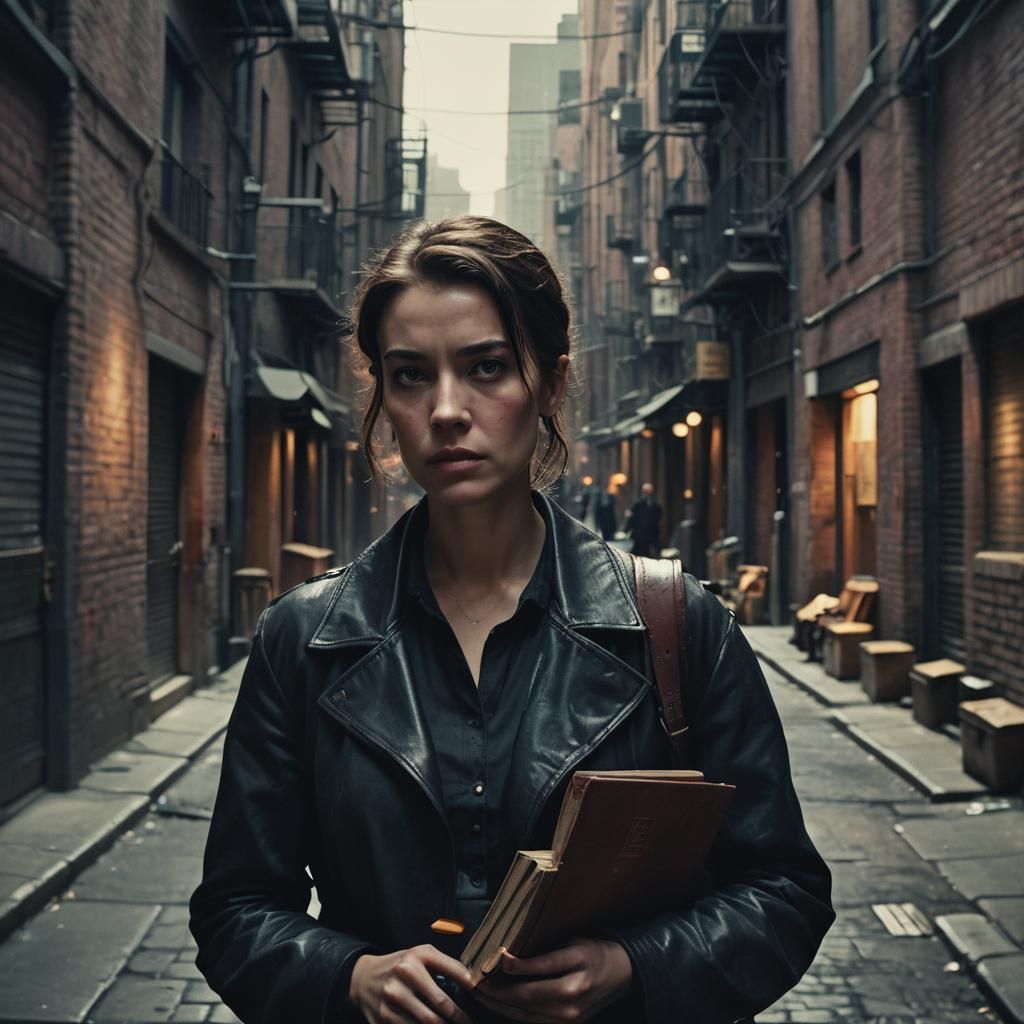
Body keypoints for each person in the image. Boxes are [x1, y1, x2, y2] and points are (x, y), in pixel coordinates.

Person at [190, 215, 833, 1024]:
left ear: (552, 382)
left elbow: (785, 892)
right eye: (411, 375)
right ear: (383, 397)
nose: (448, 409)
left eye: (487, 367)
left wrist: (630, 968)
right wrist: (348, 977)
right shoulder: (304, 640)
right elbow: (235, 910)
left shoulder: (676, 626)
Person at [625, 483, 662, 557]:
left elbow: (659, 515)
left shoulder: (654, 504)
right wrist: (627, 529)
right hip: (639, 533)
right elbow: (631, 515)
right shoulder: (638, 503)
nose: (647, 493)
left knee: (648, 552)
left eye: (649, 491)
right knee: (638, 552)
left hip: (650, 533)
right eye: (645, 491)